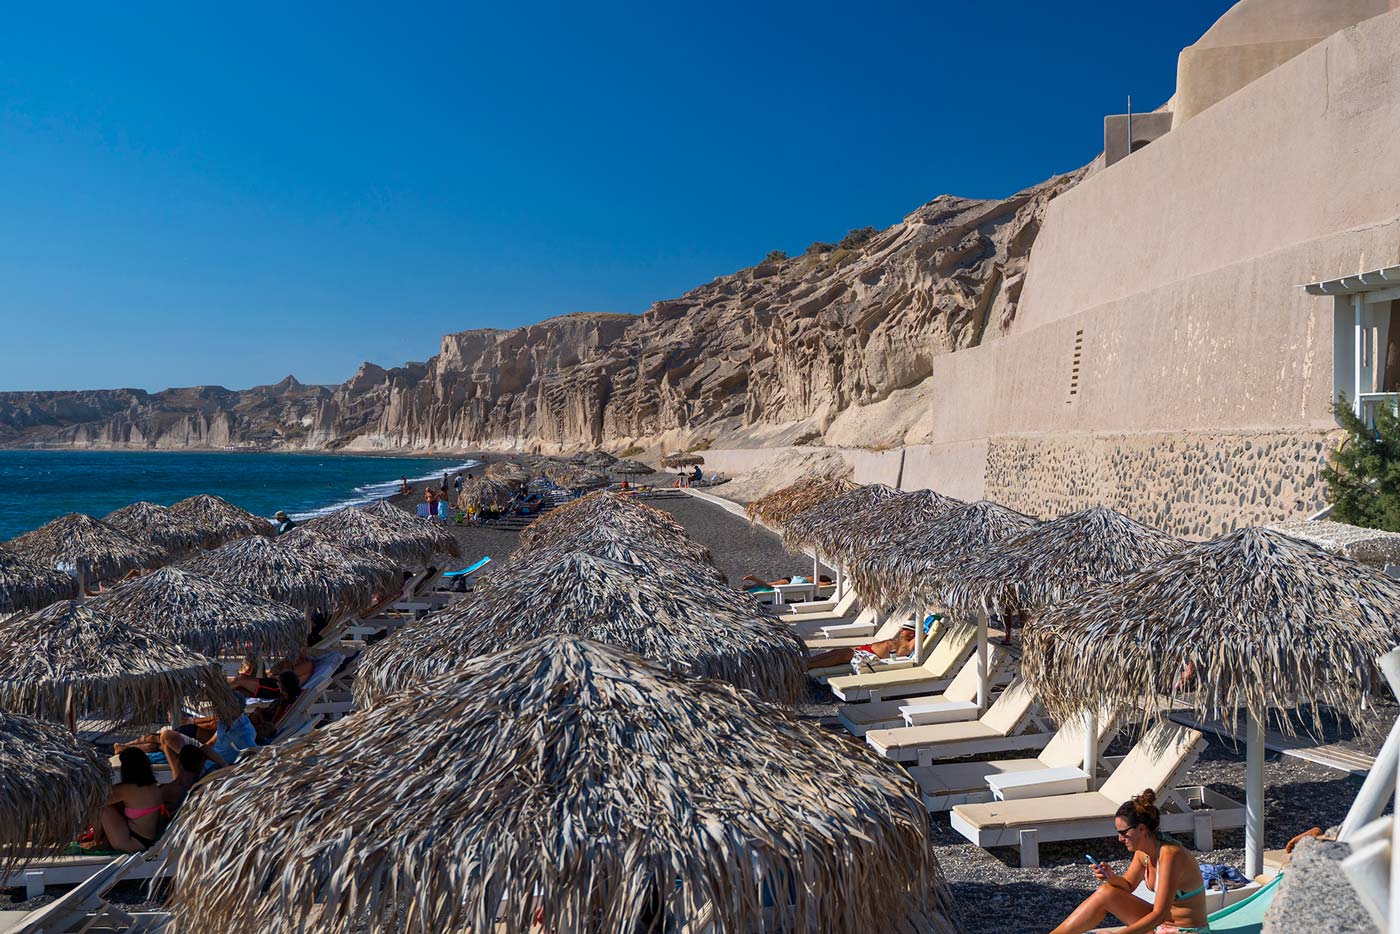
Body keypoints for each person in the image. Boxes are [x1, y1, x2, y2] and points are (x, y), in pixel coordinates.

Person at [1048, 789, 1210, 934]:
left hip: (1187, 930)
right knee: (1106, 892)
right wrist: (1111, 877)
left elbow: (1159, 914)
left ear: (1141, 829)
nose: (1120, 839)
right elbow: (1129, 885)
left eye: (1123, 833)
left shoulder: (1171, 855)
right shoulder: (1143, 853)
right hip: (1160, 926)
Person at [84, 749, 172, 853]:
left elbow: (96, 799)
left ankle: (97, 842)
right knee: (115, 804)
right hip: (145, 839)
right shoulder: (153, 787)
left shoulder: (127, 789)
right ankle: (102, 842)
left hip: (131, 842)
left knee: (100, 807)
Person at [806, 623, 916, 671]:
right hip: (866, 649)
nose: (901, 631)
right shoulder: (902, 640)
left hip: (870, 656)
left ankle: (808, 666)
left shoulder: (909, 645)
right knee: (836, 652)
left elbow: (924, 633)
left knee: (839, 657)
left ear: (913, 633)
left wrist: (931, 622)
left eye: (905, 629)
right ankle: (806, 661)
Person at [250, 671, 303, 742]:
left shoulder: (283, 705)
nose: (276, 683)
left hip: (259, 731)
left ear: (284, 686)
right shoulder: (287, 698)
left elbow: (271, 727)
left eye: (278, 682)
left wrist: (259, 713)